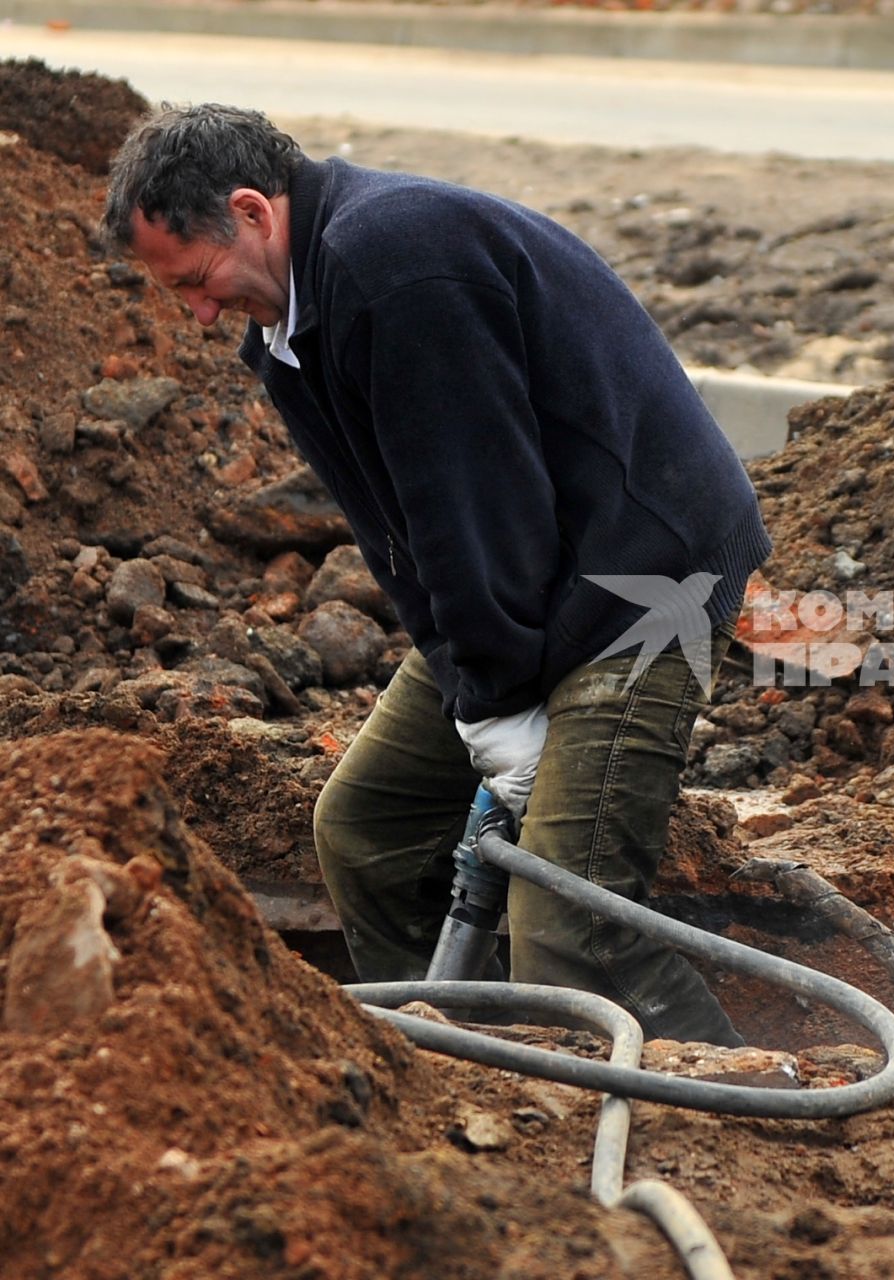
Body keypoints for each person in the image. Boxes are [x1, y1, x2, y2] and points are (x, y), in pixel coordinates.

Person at [104, 104, 772, 1045]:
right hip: (541, 572)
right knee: (369, 830)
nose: (202, 312)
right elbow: (400, 531)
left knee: (570, 924)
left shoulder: (395, 269)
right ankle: (473, 1071)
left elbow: (475, 505)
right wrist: (481, 693)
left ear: (253, 212)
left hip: (642, 574)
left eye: (199, 280)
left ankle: (726, 1105)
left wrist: (496, 691)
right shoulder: (296, 321)